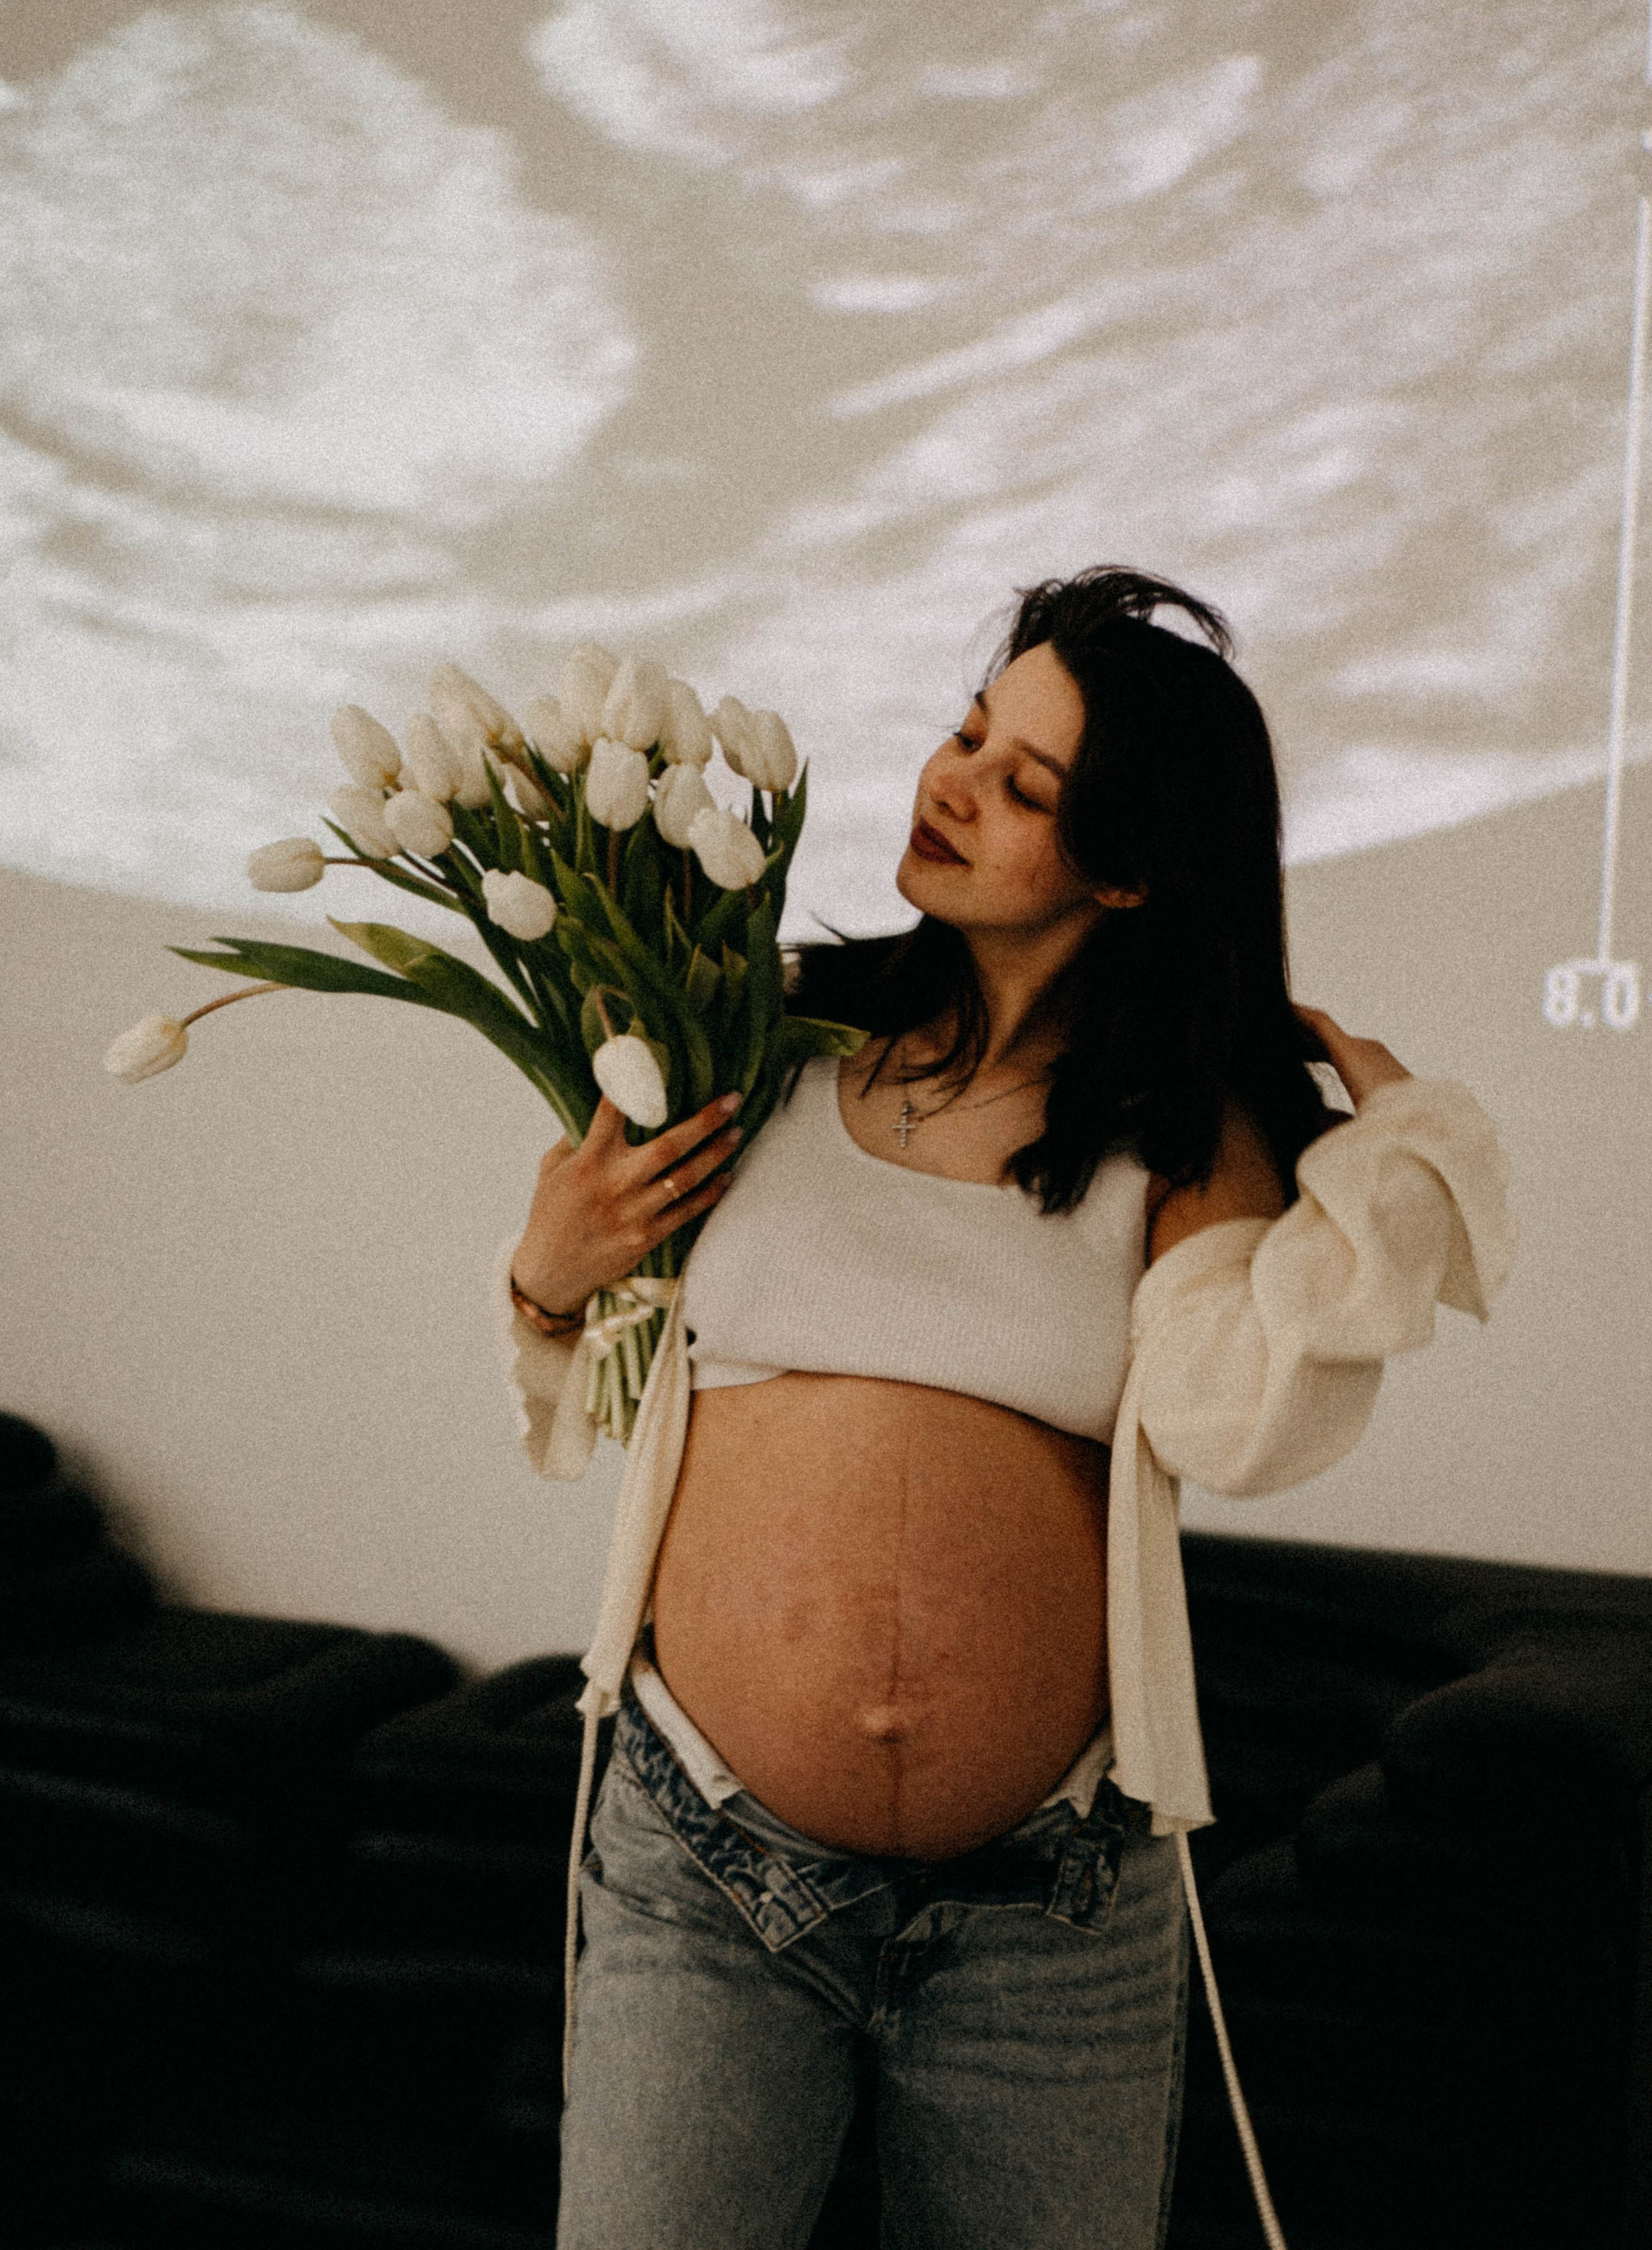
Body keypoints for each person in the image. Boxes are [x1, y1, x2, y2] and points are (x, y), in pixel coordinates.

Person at [494, 567, 1516, 2250]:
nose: (952, 780)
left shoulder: (1182, 1136)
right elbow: (596, 1368)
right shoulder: (766, 1039)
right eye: (971, 730)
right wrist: (550, 1271)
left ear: (1126, 868)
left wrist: (1395, 1156)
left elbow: (1231, 1423)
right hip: (701, 1870)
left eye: (1024, 782)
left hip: (1052, 1915)